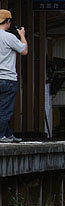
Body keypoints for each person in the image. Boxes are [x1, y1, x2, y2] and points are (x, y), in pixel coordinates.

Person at [0, 10, 28, 143]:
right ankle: (1, 135)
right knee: (5, 108)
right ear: (8, 21)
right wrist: (22, 35)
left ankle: (7, 134)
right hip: (7, 78)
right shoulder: (9, 37)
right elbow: (24, 51)